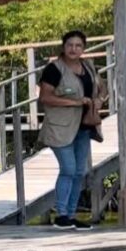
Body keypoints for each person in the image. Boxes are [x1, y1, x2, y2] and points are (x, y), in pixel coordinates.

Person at [38, 30, 102, 230]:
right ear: (63, 47)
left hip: (84, 126)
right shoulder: (54, 69)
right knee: (68, 169)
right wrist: (73, 102)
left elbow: (102, 87)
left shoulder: (88, 66)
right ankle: (61, 214)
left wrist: (100, 99)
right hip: (60, 127)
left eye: (78, 46)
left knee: (79, 172)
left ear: (83, 48)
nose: (74, 49)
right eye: (70, 45)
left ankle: (71, 215)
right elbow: (45, 98)